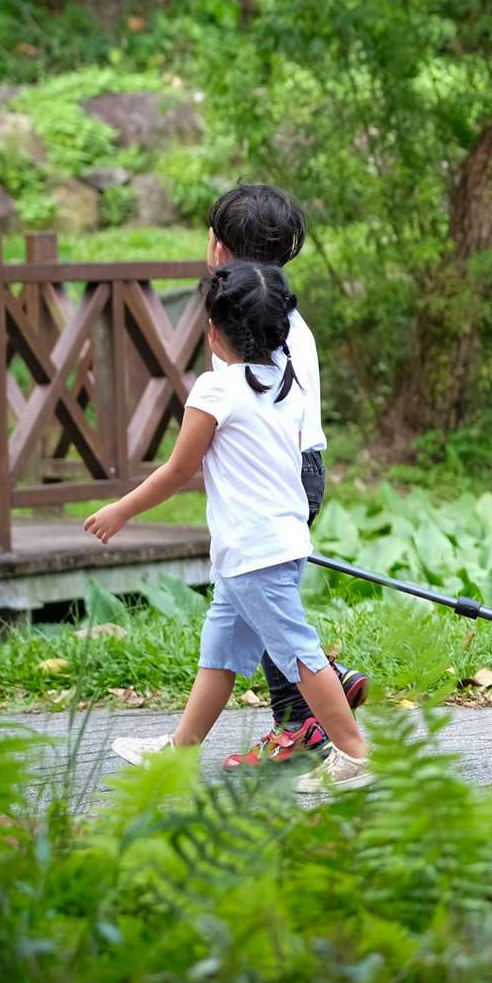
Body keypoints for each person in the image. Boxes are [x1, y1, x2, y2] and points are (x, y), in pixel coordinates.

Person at [93, 261, 375, 796]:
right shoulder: (285, 382)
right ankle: (179, 750)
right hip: (276, 543)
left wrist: (121, 511)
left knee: (298, 654)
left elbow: (179, 470)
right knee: (221, 652)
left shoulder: (215, 390)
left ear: (214, 331)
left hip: (253, 552)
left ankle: (356, 755)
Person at [202, 184, 367, 771]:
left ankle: (309, 716)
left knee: (261, 592)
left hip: (283, 469)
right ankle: (307, 707)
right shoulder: (274, 312)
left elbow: (257, 419)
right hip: (298, 466)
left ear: (220, 250)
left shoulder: (257, 323)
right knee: (255, 598)